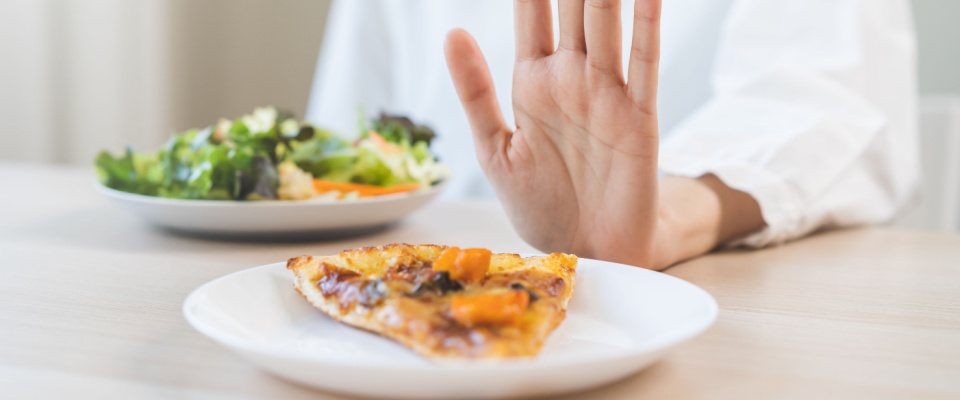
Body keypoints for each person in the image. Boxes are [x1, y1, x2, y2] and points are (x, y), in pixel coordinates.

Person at [306, 0, 919, 270]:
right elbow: (344, 145)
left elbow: (830, 107)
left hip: (674, 303)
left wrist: (661, 224)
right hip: (407, 293)